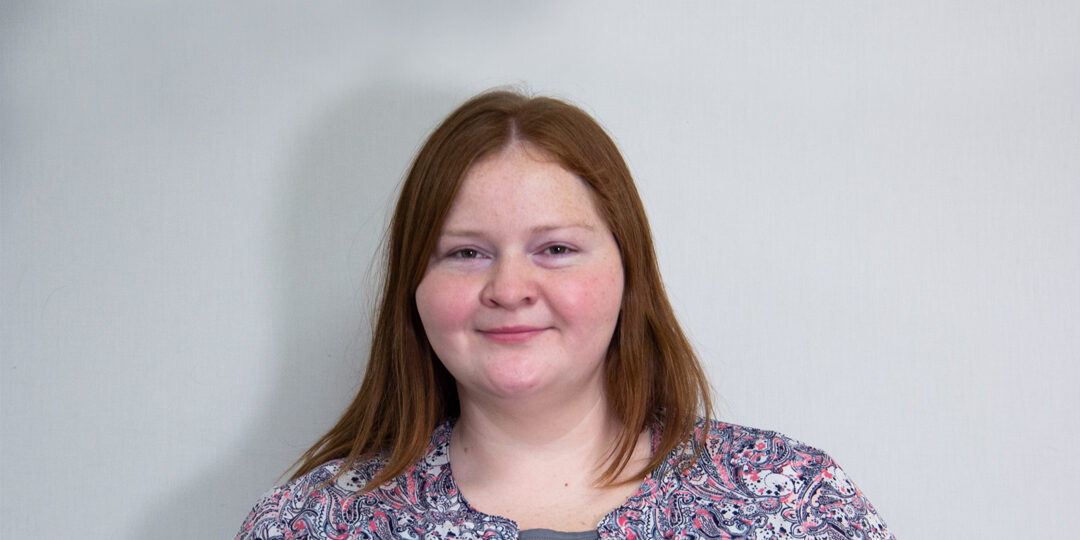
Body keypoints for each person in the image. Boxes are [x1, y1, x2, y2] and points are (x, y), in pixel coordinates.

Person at [236, 90, 894, 539]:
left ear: (626, 273)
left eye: (555, 249)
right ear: (415, 288)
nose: (509, 287)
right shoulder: (309, 523)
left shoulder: (793, 502)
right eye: (465, 252)